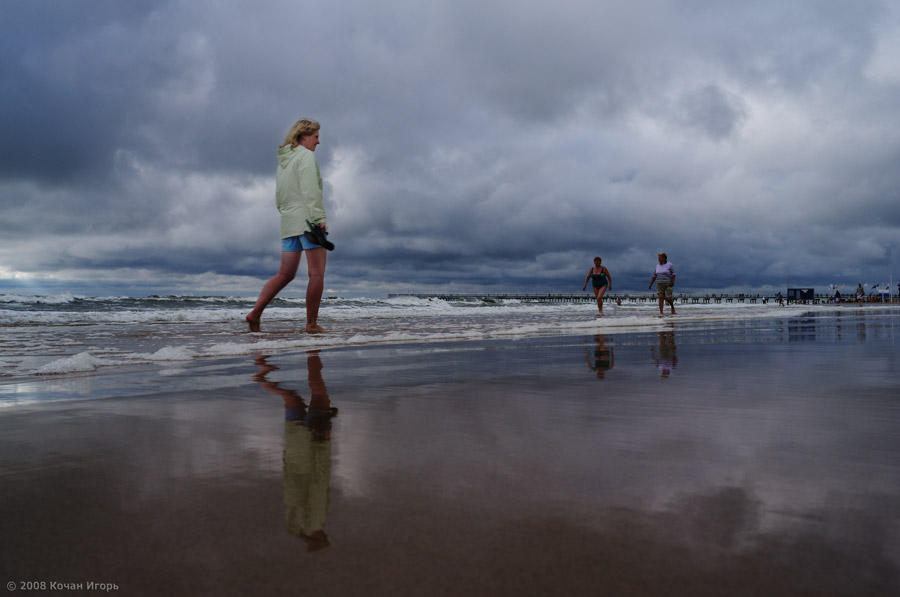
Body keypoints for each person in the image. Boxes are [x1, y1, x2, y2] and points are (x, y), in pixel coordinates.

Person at [246, 118, 329, 333]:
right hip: (308, 220)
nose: (318, 142)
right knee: (316, 274)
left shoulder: (284, 161)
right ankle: (311, 324)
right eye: (316, 137)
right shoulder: (305, 156)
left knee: (285, 274)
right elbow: (311, 189)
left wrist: (286, 214)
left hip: (288, 222)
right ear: (303, 136)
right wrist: (319, 217)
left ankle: (255, 313)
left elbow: (278, 196)